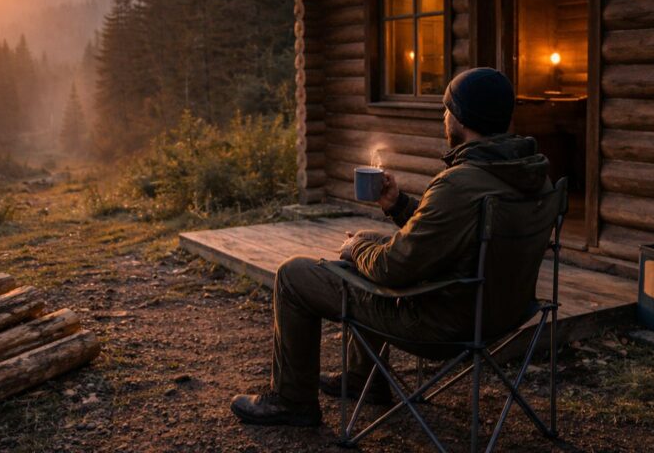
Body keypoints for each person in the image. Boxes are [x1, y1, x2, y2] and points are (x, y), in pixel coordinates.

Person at [230, 67, 552, 427]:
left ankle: (291, 401)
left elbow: (395, 268)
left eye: (447, 109)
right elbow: (453, 234)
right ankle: (362, 380)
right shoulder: (530, 175)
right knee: (370, 241)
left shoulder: (460, 184)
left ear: (461, 117)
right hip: (500, 314)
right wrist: (398, 206)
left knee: (294, 274)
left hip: (440, 324)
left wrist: (354, 249)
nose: (443, 116)